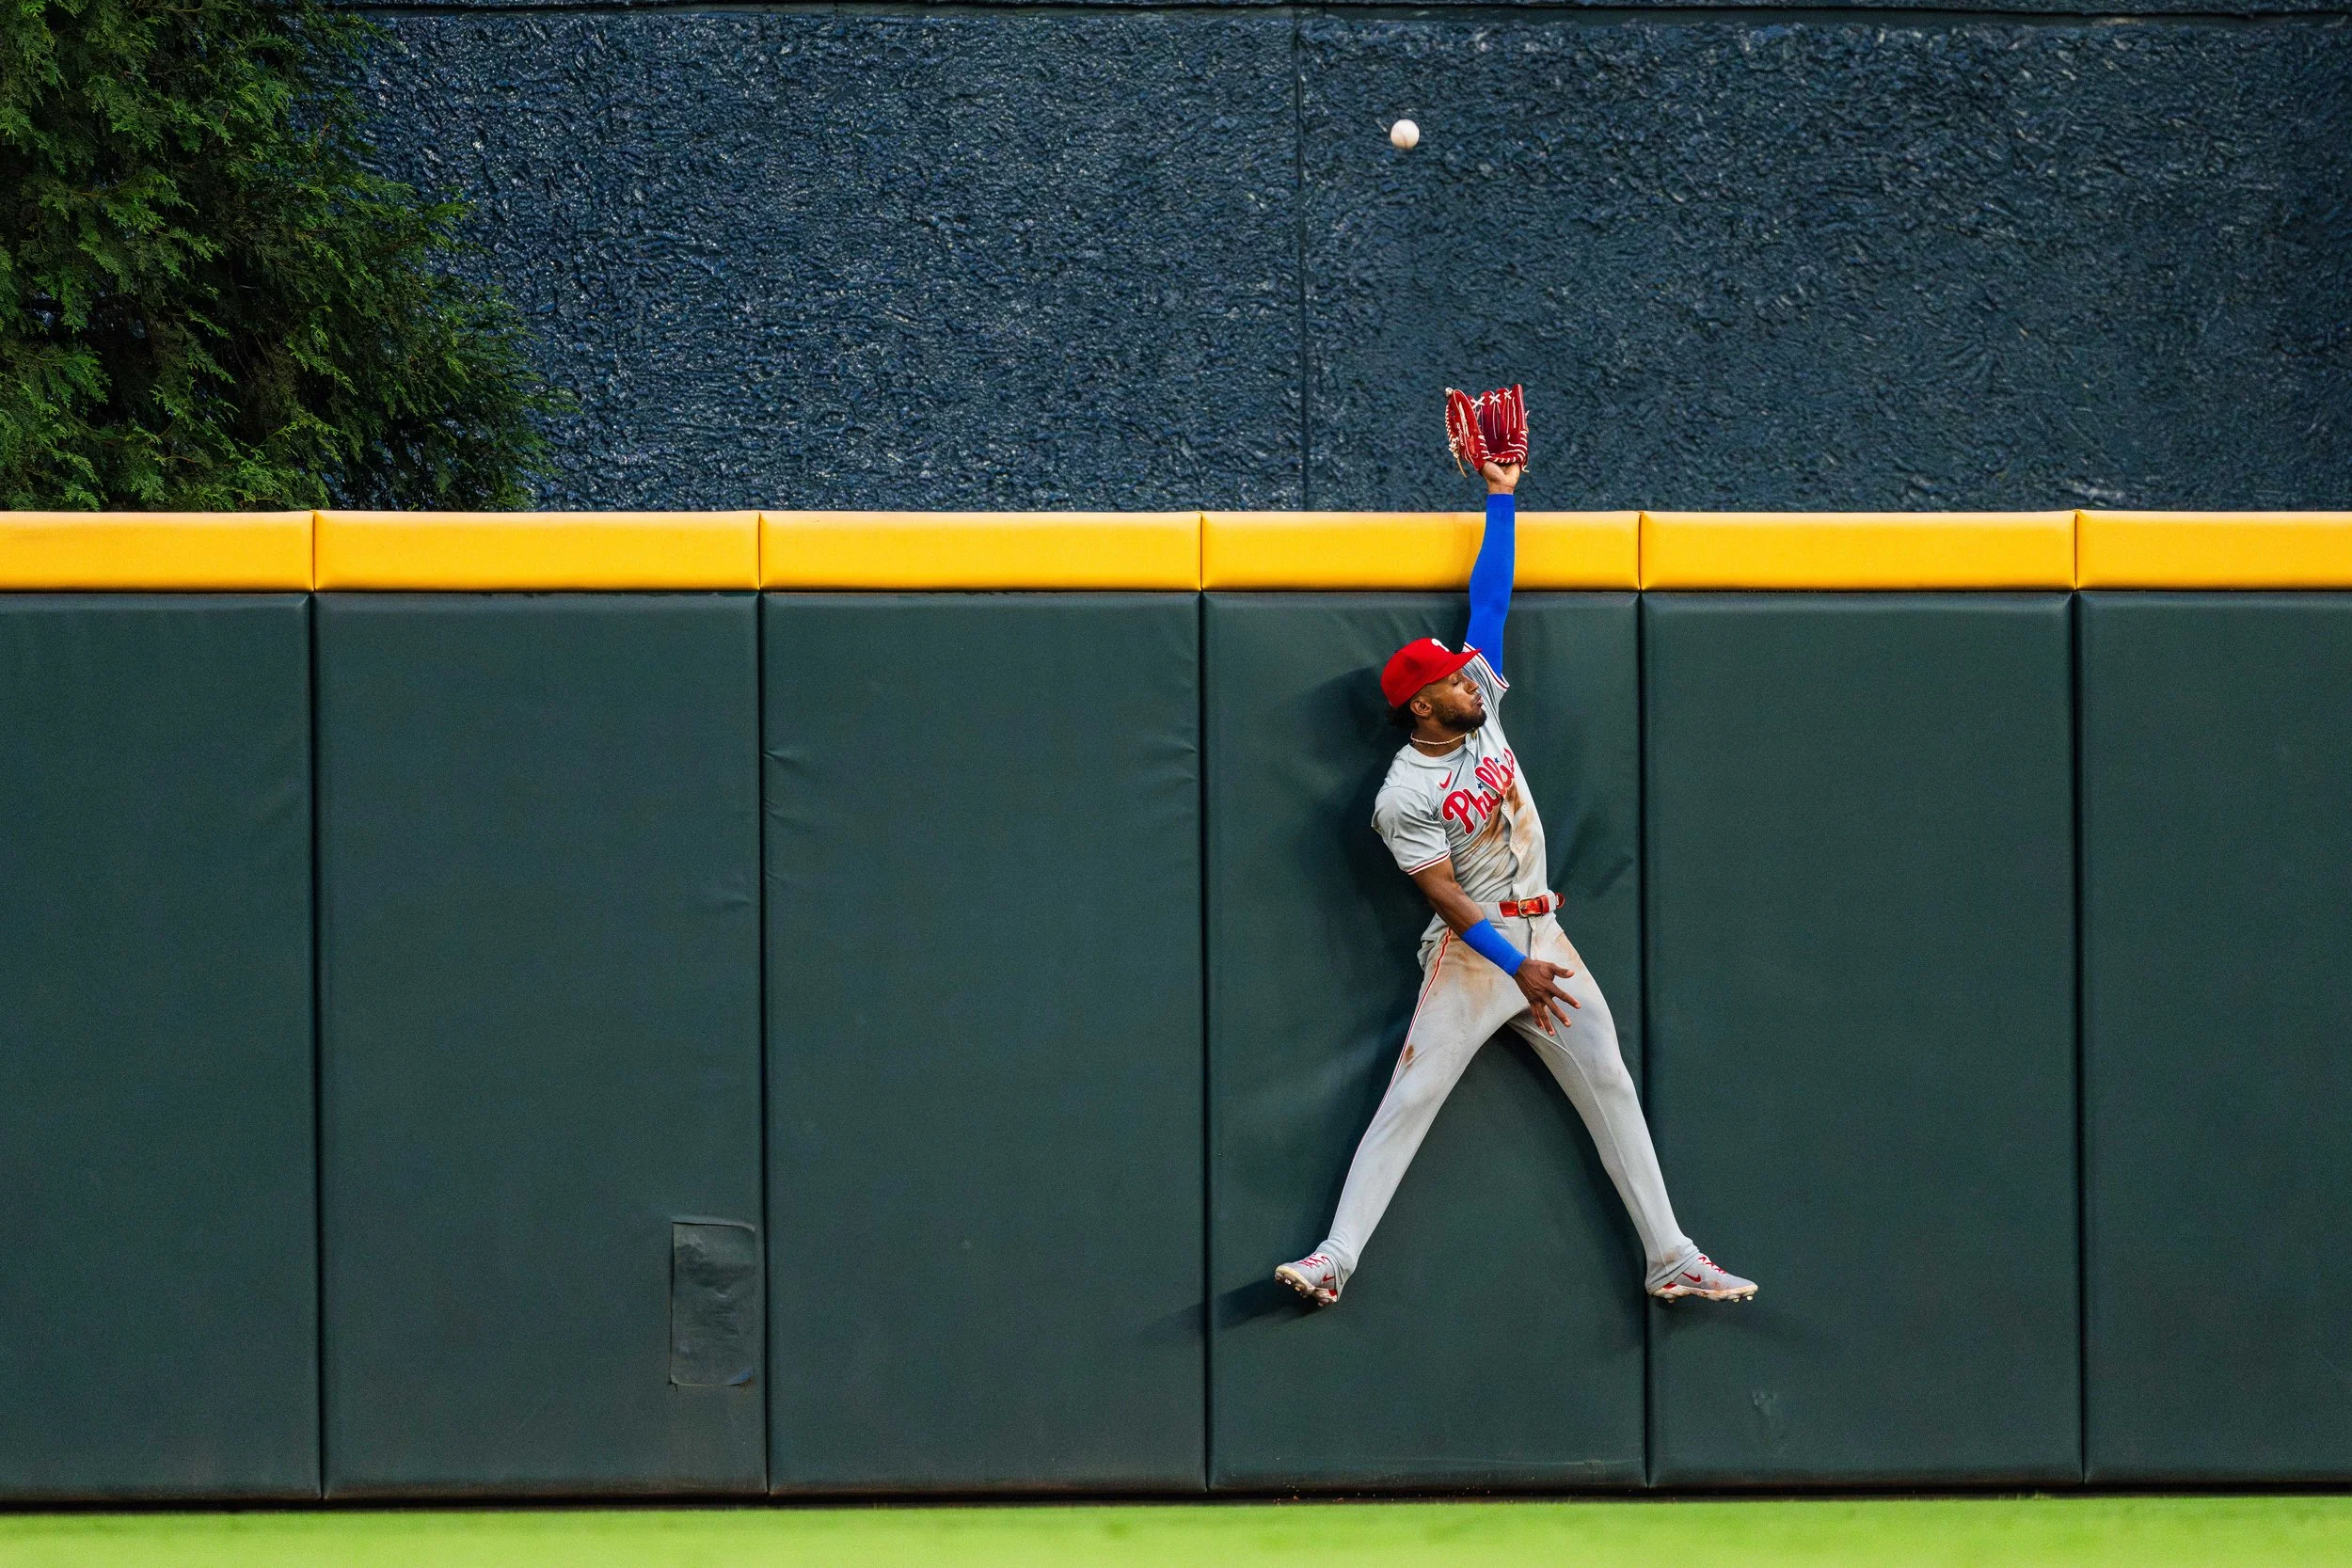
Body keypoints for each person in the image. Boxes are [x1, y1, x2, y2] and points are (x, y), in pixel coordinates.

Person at [1274, 440, 1756, 1309]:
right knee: (1413, 1093)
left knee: (1609, 1079)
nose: (1470, 675)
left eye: (1465, 669)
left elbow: (1490, 595)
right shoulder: (1401, 794)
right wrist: (1513, 965)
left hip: (1546, 934)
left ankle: (1671, 1255)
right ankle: (1333, 1259)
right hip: (1476, 950)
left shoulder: (1480, 706)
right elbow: (1446, 897)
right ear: (1422, 704)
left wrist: (1501, 497)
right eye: (1452, 678)